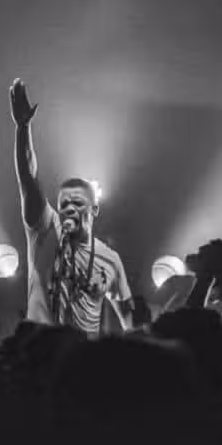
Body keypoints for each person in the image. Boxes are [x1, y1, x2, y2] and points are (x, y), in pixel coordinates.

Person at [10, 79, 133, 336]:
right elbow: (28, 179)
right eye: (64, 204)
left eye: (77, 203)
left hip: (81, 358)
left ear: (94, 210)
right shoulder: (45, 229)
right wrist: (23, 129)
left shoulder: (110, 259)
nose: (69, 208)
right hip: (39, 352)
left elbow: (129, 319)